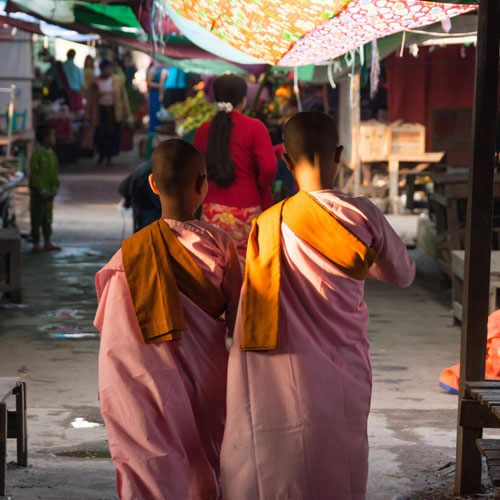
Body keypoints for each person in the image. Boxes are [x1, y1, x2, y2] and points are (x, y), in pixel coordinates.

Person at [220, 111, 416, 500]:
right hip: (343, 361)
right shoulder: (364, 214)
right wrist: (360, 262)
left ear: (287, 162)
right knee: (339, 450)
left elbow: (249, 306)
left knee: (279, 451)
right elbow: (404, 275)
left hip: (281, 364)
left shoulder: (269, 223)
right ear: (339, 154)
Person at [95, 139, 242, 500]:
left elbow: (114, 335)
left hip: (143, 381)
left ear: (153, 185)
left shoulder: (129, 254)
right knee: (206, 458)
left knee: (147, 462)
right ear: (203, 183)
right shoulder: (221, 245)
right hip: (208, 377)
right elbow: (241, 320)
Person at [193, 74, 276, 264]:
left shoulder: (204, 129)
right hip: (247, 210)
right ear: (243, 99)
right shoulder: (255, 127)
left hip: (212, 210)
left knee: (216, 265)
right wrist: (260, 187)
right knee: (248, 266)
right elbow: (269, 168)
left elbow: (196, 169)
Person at [86, 59, 131, 166]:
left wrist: (127, 113)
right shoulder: (95, 81)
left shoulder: (117, 80)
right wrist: (88, 114)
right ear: (101, 69)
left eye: (109, 68)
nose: (108, 70)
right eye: (106, 68)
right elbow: (90, 99)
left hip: (114, 111)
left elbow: (123, 96)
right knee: (100, 134)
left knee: (113, 134)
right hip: (100, 111)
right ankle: (102, 154)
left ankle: (109, 157)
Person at [29, 124, 61, 253]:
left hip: (49, 195)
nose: (54, 138)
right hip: (38, 195)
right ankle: (36, 242)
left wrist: (54, 187)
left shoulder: (52, 155)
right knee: (36, 218)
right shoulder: (37, 155)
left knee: (48, 218)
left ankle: (47, 241)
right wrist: (41, 190)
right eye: (52, 136)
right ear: (45, 138)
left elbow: (55, 174)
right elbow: (35, 175)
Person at [118, 160, 162, 232]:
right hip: (152, 214)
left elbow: (124, 188)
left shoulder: (142, 167)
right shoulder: (158, 170)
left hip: (141, 212)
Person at [146, 62, 164, 132]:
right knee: (154, 112)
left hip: (160, 93)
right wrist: (159, 86)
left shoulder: (163, 69)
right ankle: (153, 131)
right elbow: (149, 82)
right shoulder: (153, 69)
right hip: (154, 94)